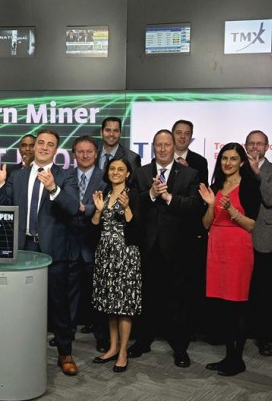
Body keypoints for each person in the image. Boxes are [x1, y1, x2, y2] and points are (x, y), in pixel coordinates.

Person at [0, 129, 80, 376]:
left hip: (52, 250)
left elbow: (73, 208)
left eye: (50, 144)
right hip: (23, 248)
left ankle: (65, 353)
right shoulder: (18, 176)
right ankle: (17, 351)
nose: (43, 147)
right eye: (40, 142)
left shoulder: (65, 175)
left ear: (56, 150)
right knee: (19, 304)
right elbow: (4, 208)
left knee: (59, 305)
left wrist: (54, 189)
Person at [130, 130, 202, 368]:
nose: (162, 149)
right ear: (153, 147)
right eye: (158, 145)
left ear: (174, 146)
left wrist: (169, 197)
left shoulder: (190, 174)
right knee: (147, 297)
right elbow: (132, 205)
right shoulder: (141, 173)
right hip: (147, 247)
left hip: (178, 248)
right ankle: (143, 341)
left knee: (177, 301)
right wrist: (150, 194)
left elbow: (194, 206)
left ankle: (180, 348)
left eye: (167, 144)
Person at [199, 142, 261, 376]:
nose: (228, 163)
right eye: (224, 158)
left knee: (237, 305)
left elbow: (252, 224)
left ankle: (237, 360)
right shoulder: (215, 186)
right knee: (222, 306)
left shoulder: (250, 186)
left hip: (238, 248)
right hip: (216, 247)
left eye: (233, 159)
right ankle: (228, 357)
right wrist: (212, 206)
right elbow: (206, 223)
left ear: (242, 162)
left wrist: (232, 211)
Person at [90, 158, 142, 373]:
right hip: (105, 254)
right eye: (112, 168)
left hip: (126, 255)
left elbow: (138, 229)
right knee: (110, 303)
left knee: (124, 306)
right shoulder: (104, 194)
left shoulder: (134, 195)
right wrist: (98, 210)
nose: (116, 172)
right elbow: (93, 228)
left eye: (121, 169)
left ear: (128, 173)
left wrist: (127, 208)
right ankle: (112, 347)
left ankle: (122, 352)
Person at [245, 130, 272, 357]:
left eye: (259, 144)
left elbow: (270, 198)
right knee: (240, 287)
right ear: (245, 146)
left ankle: (264, 339)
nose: (255, 147)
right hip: (239, 234)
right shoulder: (236, 165)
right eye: (251, 143)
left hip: (263, 235)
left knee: (263, 290)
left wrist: (257, 173)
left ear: (267, 147)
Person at [68, 135, 109, 354]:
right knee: (70, 294)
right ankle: (67, 333)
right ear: (74, 154)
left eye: (89, 152)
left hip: (95, 244)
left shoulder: (106, 178)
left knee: (98, 294)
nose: (85, 155)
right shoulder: (66, 177)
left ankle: (101, 337)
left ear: (96, 154)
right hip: (71, 244)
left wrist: (86, 209)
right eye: (80, 152)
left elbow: (105, 208)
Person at [171, 119, 210, 341]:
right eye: (179, 132)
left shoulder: (199, 161)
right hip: (165, 226)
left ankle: (187, 328)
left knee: (188, 281)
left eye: (187, 133)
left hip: (188, 228)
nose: (182, 137)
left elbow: (201, 197)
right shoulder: (161, 157)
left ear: (191, 136)